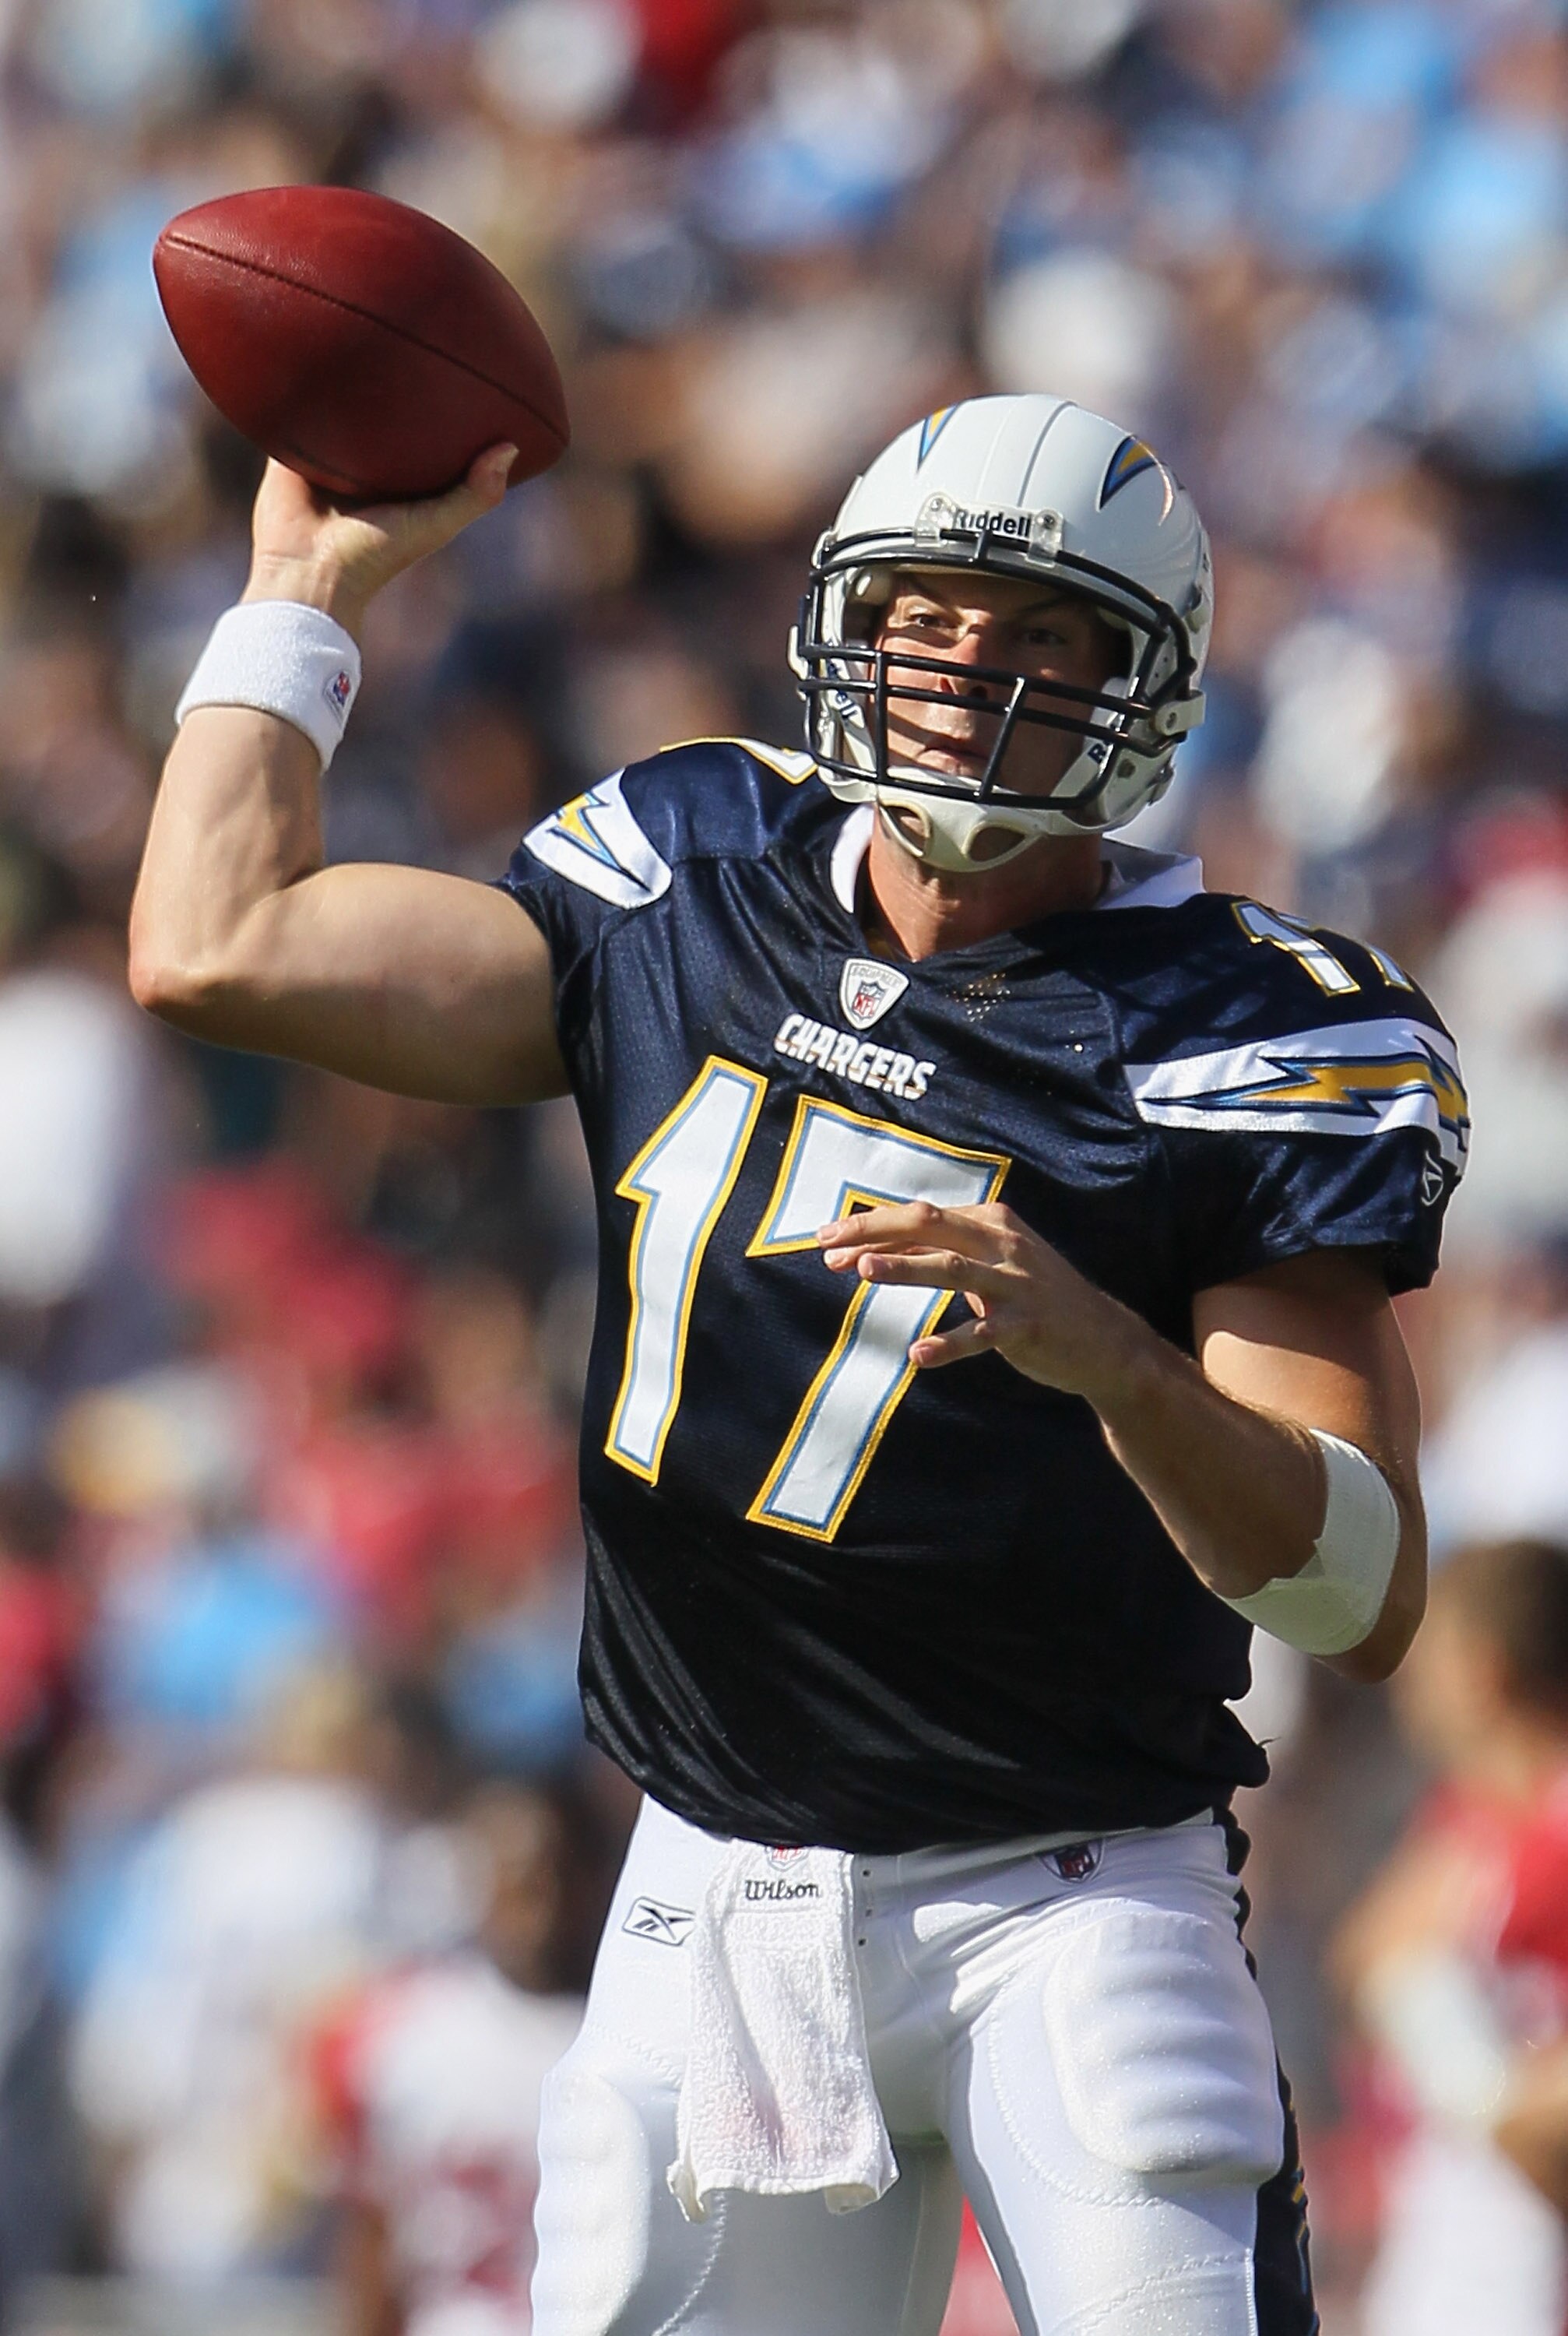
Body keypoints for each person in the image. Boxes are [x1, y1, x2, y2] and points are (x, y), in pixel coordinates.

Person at [128, 392, 1466, 2334]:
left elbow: (1355, 1592)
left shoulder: (1240, 1030)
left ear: (1145, 685)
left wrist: (1111, 1358)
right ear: (845, 620)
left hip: (1067, 1898)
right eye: (925, 619)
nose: (965, 673)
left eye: (1040, 638)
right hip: (715, 1874)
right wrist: (295, 593)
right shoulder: (690, 866)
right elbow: (218, 941)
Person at [1336, 1538, 1568, 2336]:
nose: (1404, 1683)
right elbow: (1365, 1960)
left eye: (1429, 1650)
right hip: (1441, 2262)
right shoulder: (1465, 1822)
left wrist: (1495, 2098)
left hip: (1532, 2274)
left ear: (1483, 1669)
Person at [312, 1779, 589, 2336]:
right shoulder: (408, 2036)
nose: (539, 1903)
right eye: (517, 1878)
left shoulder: (626, 2037)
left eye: (554, 1874)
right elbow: (371, 2239)